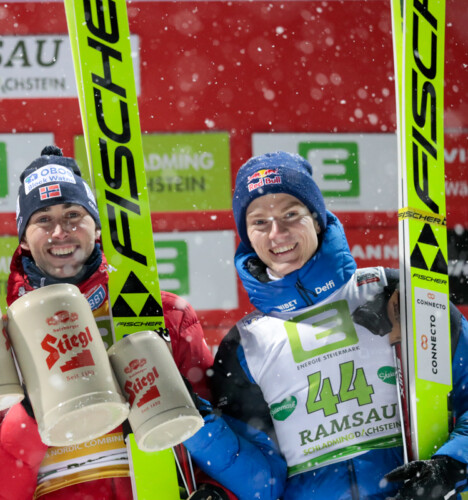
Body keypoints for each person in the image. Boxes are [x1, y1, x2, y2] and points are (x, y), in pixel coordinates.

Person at [182, 151, 468, 500]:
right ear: (247, 235)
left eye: (291, 214)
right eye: (259, 222)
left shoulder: (395, 292)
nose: (277, 232)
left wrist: (449, 466)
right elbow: (263, 484)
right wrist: (197, 428)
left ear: (316, 219)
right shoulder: (245, 344)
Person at [0, 145, 228, 499]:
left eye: (73, 215)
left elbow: (219, 433)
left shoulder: (162, 314)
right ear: (23, 240)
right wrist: (31, 415)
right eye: (43, 220)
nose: (60, 232)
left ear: (96, 228)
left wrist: (216, 492)